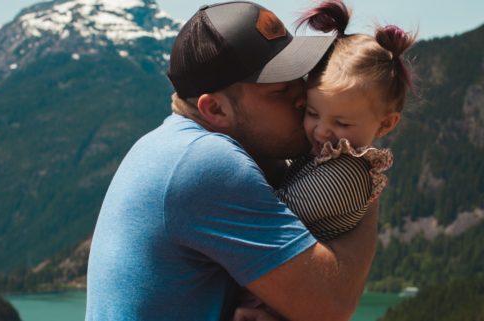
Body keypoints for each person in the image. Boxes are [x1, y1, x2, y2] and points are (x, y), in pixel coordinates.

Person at [85, 2, 378, 321]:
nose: (302, 96)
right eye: (280, 91)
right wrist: (362, 164)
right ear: (215, 110)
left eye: (300, 76)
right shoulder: (205, 163)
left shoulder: (168, 145)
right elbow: (329, 306)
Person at [275, 0, 416, 241]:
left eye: (341, 123)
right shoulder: (326, 155)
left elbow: (271, 215)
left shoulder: (345, 174)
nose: (321, 131)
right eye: (312, 113)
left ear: (385, 124)